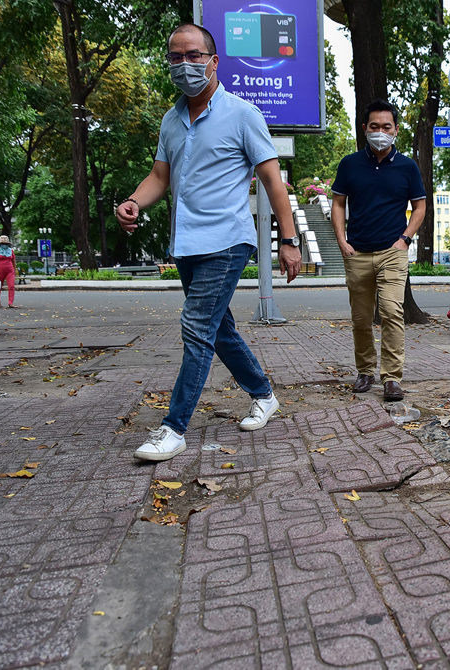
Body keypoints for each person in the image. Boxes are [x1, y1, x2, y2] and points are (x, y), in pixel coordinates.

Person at [115, 23, 302, 462]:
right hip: (187, 243)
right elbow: (160, 177)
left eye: (194, 56)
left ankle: (173, 427)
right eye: (176, 57)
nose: (185, 64)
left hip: (228, 240)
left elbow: (273, 182)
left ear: (214, 61)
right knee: (218, 330)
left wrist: (288, 240)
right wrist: (133, 203)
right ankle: (264, 394)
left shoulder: (242, 113)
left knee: (196, 326)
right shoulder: (171, 119)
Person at [331, 100, 426, 401]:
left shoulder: (407, 167)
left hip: (392, 252)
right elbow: (338, 203)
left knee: (391, 311)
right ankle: (365, 371)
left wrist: (405, 239)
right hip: (356, 252)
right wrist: (342, 241)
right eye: (374, 127)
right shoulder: (349, 164)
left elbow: (420, 207)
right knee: (360, 318)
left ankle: (392, 378)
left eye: (387, 127)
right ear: (365, 129)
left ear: (396, 130)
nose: (380, 132)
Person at [0, 235, 16, 308]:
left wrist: (15, 270)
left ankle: (10, 302)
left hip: (9, 270)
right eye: (2, 243)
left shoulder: (11, 251)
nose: (4, 245)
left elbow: (14, 261)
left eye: (5, 244)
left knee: (11, 286)